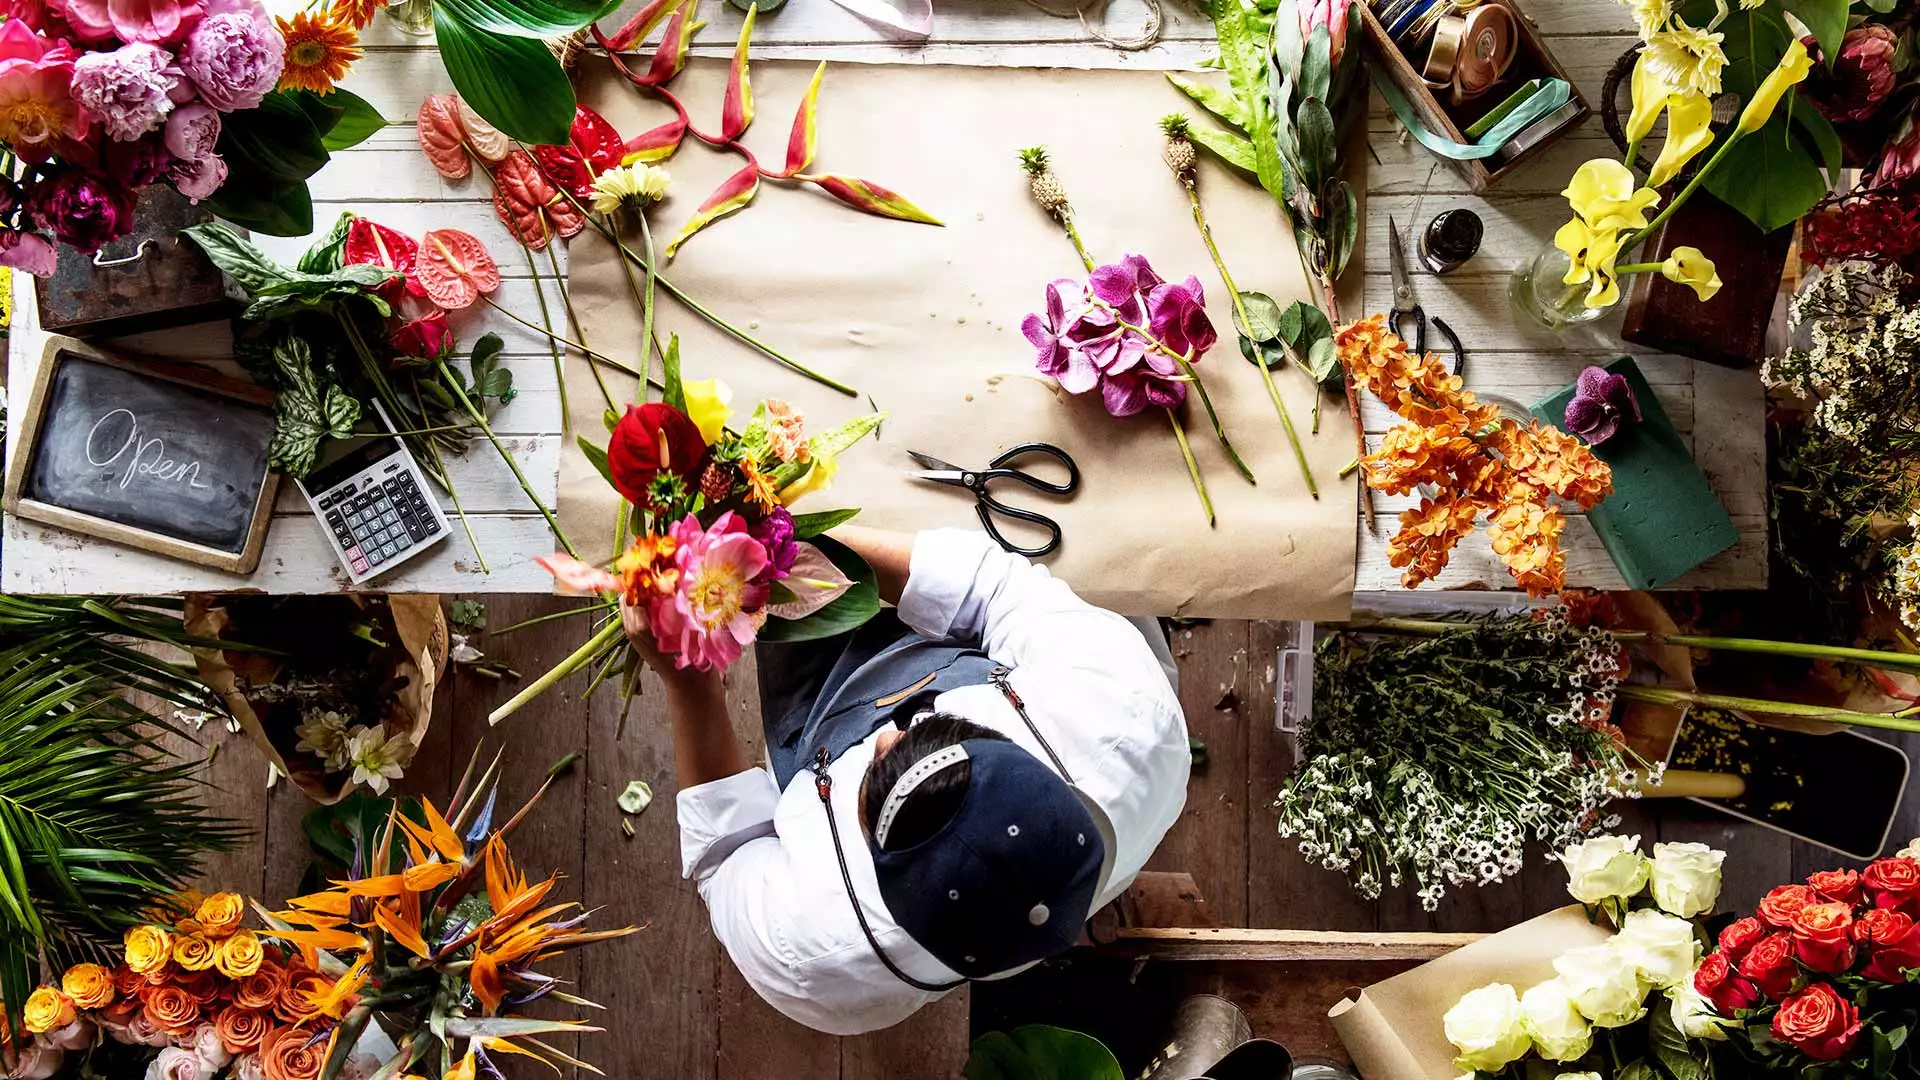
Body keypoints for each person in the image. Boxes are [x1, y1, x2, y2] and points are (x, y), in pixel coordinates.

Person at [621, 524, 1190, 1036]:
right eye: (928, 728)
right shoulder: (1125, 711)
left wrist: (689, 686)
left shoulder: (810, 954)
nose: (887, 736)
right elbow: (992, 588)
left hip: (827, 720)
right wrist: (786, 546)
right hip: (1007, 655)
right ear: (1013, 745)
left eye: (874, 771)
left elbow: (727, 854)